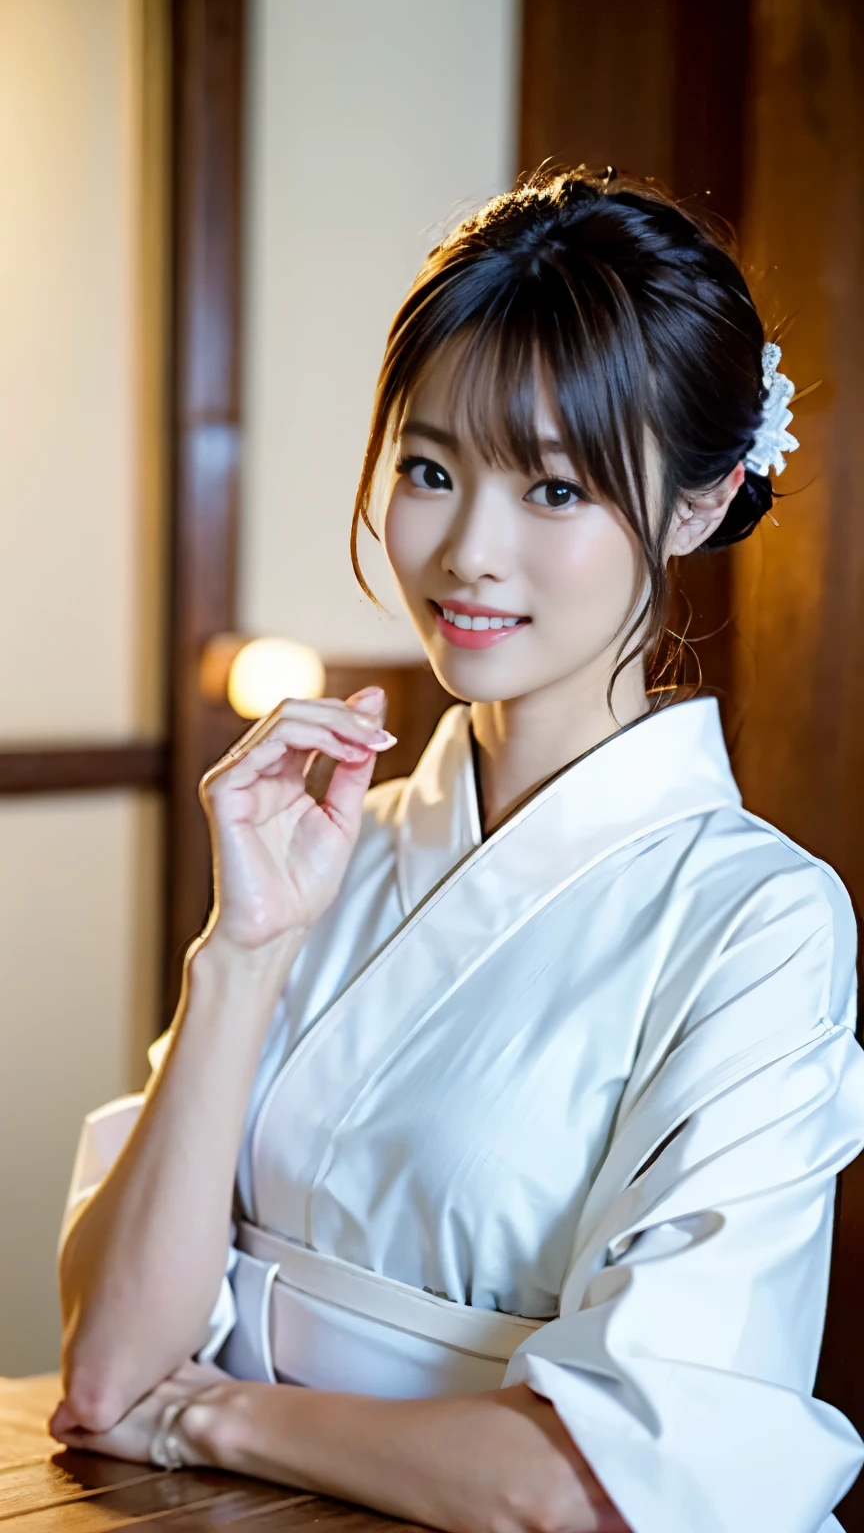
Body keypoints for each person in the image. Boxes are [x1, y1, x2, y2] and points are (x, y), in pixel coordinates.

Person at [51, 167, 864, 1533]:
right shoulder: (333, 852)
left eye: (554, 488)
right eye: (431, 471)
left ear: (700, 504)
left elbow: (596, 1485)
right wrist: (241, 949)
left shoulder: (759, 922)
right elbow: (108, 1370)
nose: (468, 553)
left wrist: (212, 1412)